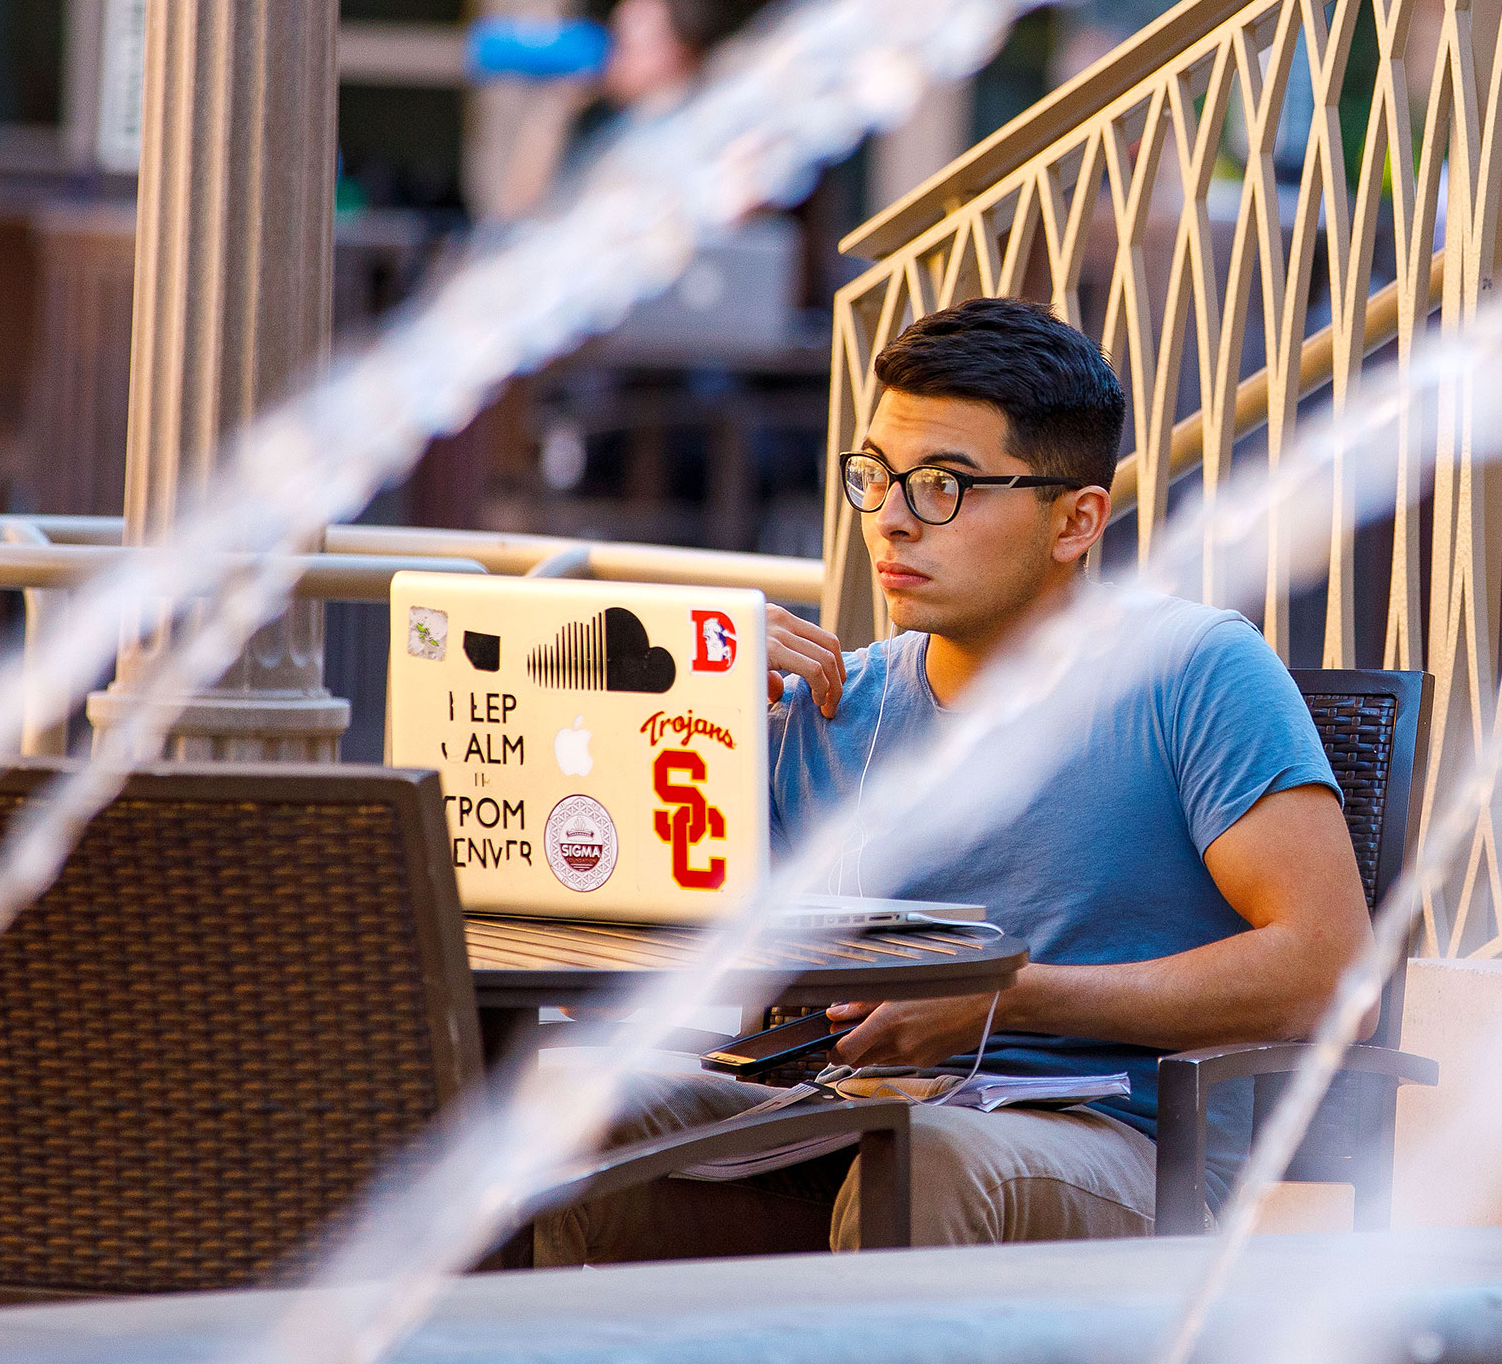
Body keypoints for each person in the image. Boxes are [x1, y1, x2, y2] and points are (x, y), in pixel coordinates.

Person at [536, 298, 1368, 1257]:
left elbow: (1325, 964)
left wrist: (1004, 999)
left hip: (1114, 1147)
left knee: (925, 1157)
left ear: (1076, 521)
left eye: (944, 486)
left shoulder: (1193, 671)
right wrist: (678, 697)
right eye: (876, 477)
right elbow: (637, 936)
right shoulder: (834, 698)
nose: (891, 520)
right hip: (841, 1113)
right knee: (560, 1110)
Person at [493, 0, 722, 219]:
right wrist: (554, 107)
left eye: (628, 40)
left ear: (679, 50)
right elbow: (520, 210)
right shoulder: (615, 128)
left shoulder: (695, 134)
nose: (612, 52)